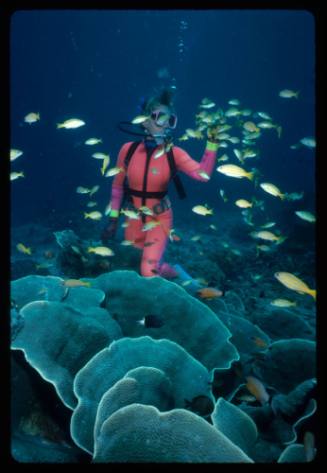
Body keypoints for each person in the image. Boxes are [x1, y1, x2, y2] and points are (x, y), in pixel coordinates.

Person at [101, 87, 220, 279]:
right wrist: (113, 221)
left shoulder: (174, 153)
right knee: (135, 263)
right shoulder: (127, 150)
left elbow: (203, 175)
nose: (166, 125)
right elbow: (116, 187)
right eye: (161, 118)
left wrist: (212, 143)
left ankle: (190, 290)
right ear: (146, 121)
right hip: (132, 218)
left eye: (170, 120)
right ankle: (175, 273)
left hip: (160, 219)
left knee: (148, 271)